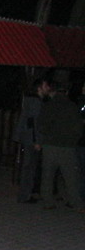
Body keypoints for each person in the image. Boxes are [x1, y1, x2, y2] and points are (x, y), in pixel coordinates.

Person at [36, 80, 84, 211]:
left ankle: (48, 201)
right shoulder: (72, 106)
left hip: (50, 145)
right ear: (67, 92)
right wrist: (73, 139)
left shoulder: (48, 106)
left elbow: (41, 125)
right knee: (71, 176)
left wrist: (48, 135)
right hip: (67, 146)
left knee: (47, 175)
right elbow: (79, 127)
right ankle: (76, 203)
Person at [12, 79, 45, 203]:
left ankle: (25, 194)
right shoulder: (36, 102)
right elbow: (33, 122)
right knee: (29, 167)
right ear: (39, 88)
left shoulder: (30, 101)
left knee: (28, 167)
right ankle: (25, 195)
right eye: (44, 86)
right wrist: (36, 140)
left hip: (27, 137)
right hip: (31, 139)